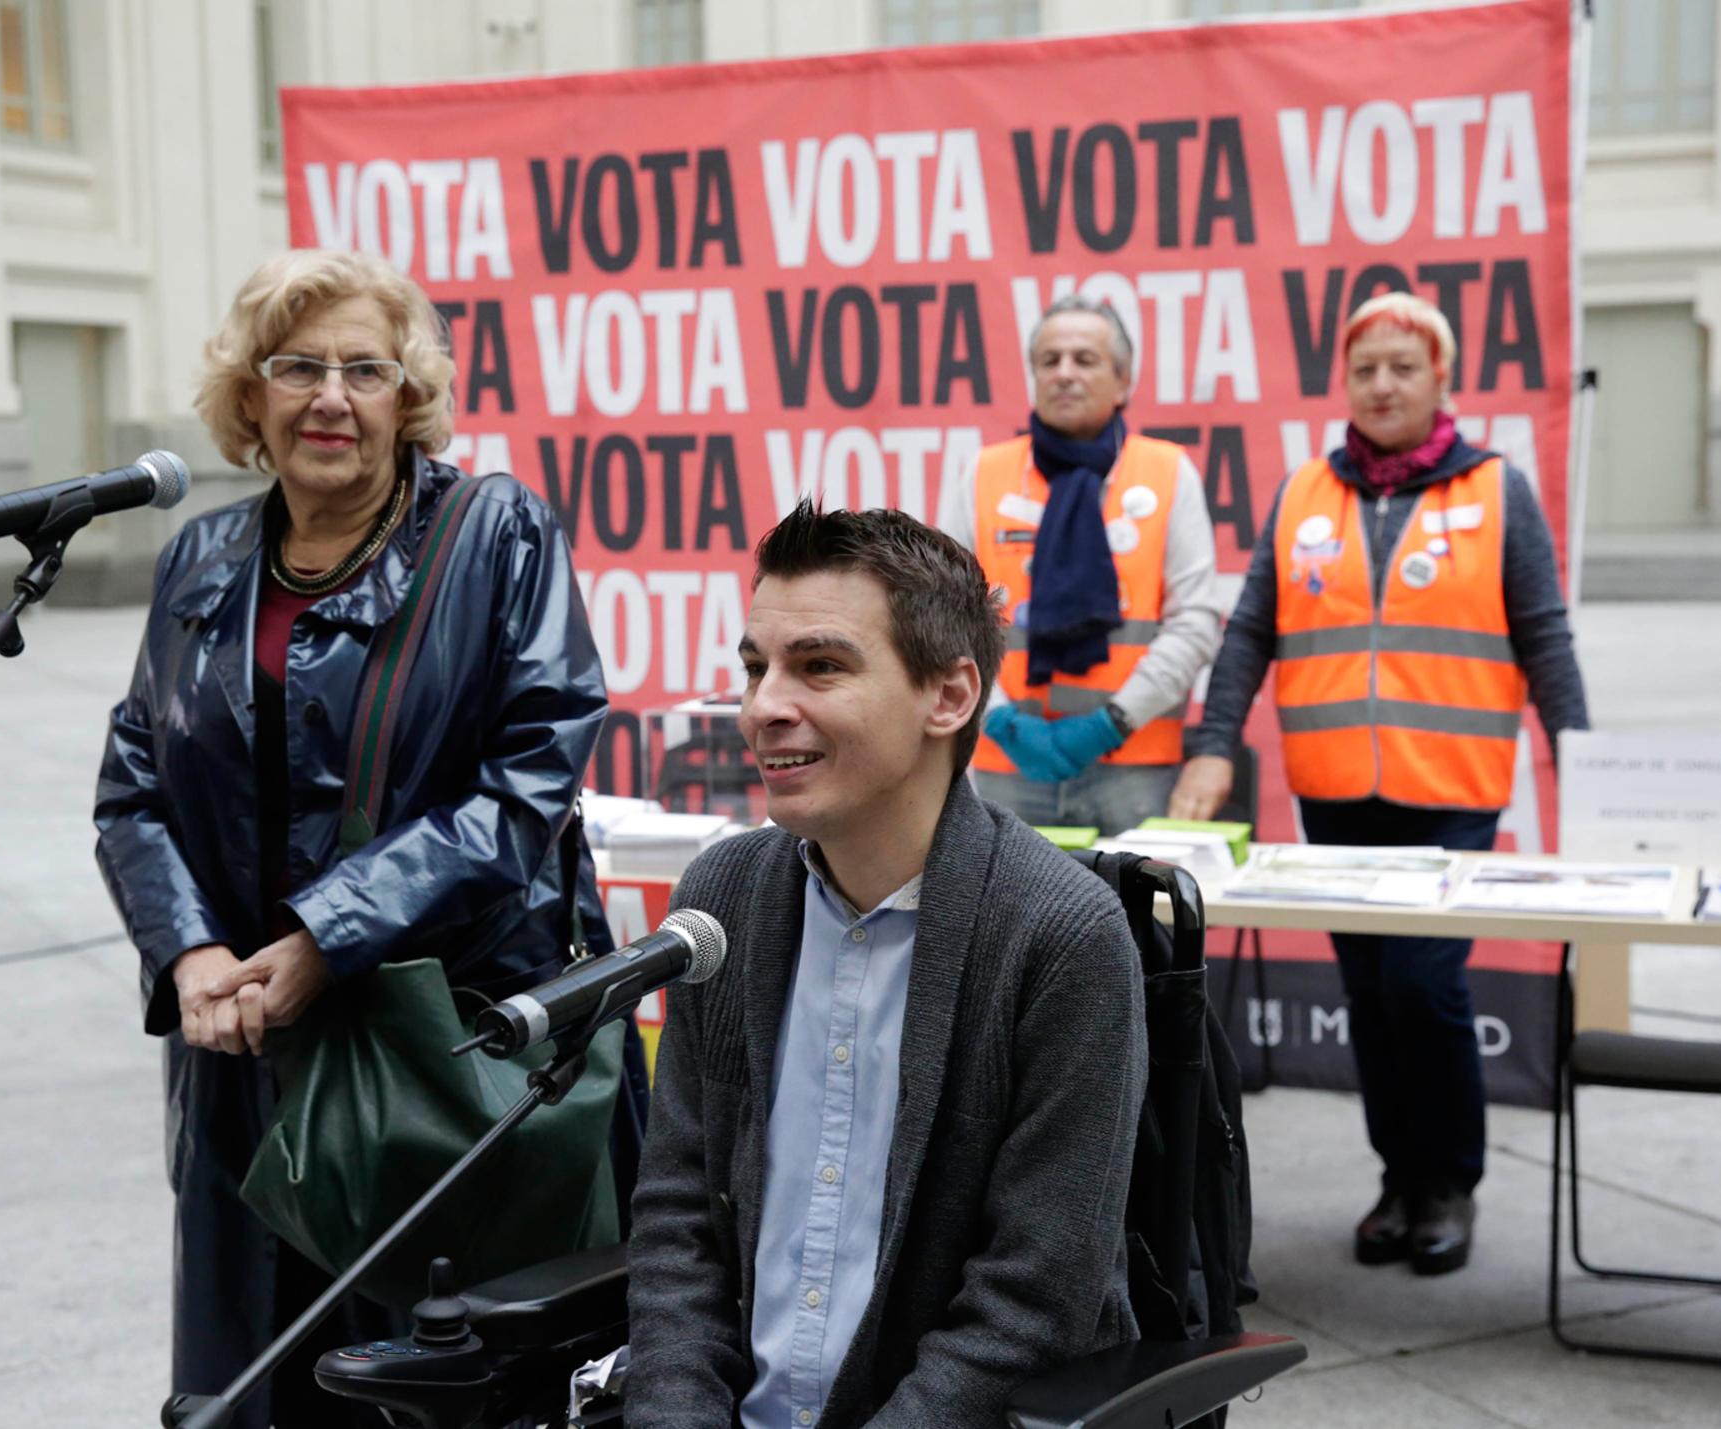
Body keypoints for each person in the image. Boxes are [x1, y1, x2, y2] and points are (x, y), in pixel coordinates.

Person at [93, 249, 644, 1426]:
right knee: (256, 1373)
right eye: (296, 367)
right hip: (243, 1053)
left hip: (448, 1050)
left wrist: (318, 940)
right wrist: (189, 955)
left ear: (409, 398)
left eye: (364, 369)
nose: (329, 397)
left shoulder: (497, 532)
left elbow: (529, 779)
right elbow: (133, 785)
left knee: (435, 1380)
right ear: (250, 398)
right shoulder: (201, 557)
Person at [625, 502, 1146, 1429]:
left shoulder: (1062, 934)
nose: (762, 707)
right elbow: (678, 1223)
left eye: (819, 665)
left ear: (948, 696)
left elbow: (1031, 1309)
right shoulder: (724, 897)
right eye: (756, 668)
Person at [1169, 291, 1590, 1276]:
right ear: (1344, 385)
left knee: (1422, 981)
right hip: (1337, 793)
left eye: (1403, 366)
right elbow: (1250, 634)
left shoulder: (1494, 490)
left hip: (1449, 789)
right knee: (1368, 990)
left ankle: (1447, 1181)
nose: (1382, 384)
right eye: (1365, 369)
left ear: (1439, 379)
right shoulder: (1304, 493)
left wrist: (1586, 762)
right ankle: (1395, 1180)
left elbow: (1542, 635)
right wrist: (1215, 738)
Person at [936, 294, 1225, 836]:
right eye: (1050, 361)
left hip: (1133, 762)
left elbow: (1195, 622)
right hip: (1010, 760)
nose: (1064, 374)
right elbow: (942, 618)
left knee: (1135, 921)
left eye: (1084, 360)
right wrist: (997, 719)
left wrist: (1110, 723)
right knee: (1008, 921)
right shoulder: (984, 473)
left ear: (1123, 381)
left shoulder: (1167, 472)